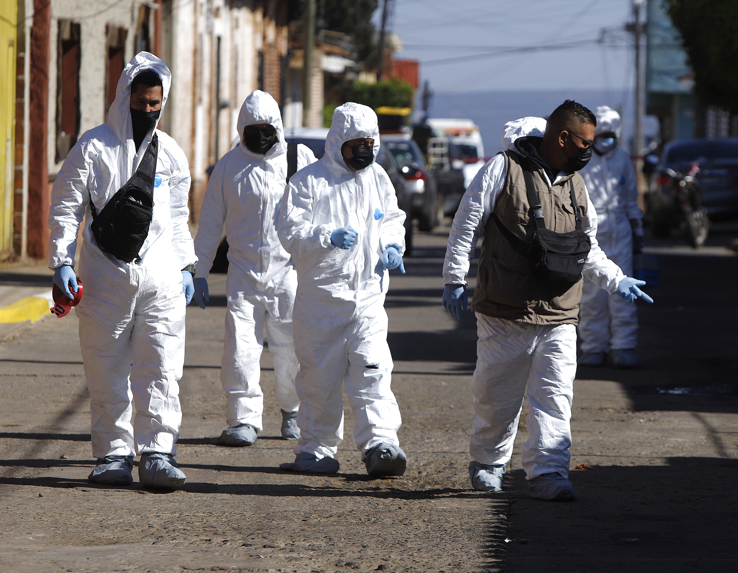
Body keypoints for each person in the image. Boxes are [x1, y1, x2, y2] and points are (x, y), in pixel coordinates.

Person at [441, 102, 653, 502]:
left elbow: (585, 247)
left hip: (559, 313)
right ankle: (488, 463)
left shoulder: (576, 183)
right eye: (585, 141)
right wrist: (455, 279)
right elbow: (466, 221)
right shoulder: (501, 169)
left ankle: (549, 471)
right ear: (562, 138)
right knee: (496, 396)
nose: (590, 149)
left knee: (555, 397)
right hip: (506, 310)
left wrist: (616, 279)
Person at [48, 52, 196, 490]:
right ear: (123, 97)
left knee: (162, 365)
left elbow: (178, 215)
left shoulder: (170, 154)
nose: (147, 111)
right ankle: (113, 453)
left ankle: (157, 452)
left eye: (155, 104)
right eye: (140, 102)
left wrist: (186, 265)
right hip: (104, 276)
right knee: (105, 365)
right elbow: (65, 208)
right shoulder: (93, 148)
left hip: (162, 279)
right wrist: (62, 262)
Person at [275, 102, 409, 477]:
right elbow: (289, 231)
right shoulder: (307, 182)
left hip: (367, 298)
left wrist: (392, 247)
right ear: (337, 142)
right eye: (356, 144)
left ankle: (381, 444)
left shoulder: (378, 178)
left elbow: (391, 219)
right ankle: (316, 450)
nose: (364, 151)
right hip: (321, 302)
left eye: (370, 142)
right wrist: (325, 237)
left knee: (374, 370)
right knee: (319, 381)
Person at [192, 90, 315, 447]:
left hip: (289, 271)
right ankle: (243, 419)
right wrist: (199, 272)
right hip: (243, 273)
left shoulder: (298, 158)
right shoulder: (230, 166)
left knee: (291, 347)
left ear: (277, 125)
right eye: (253, 128)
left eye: (266, 127)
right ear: (242, 127)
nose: (260, 134)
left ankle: (293, 412)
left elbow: (317, 212)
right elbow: (211, 222)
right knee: (240, 348)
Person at [577, 106, 646, 368]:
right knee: (592, 294)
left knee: (623, 288)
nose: (606, 139)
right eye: (601, 134)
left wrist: (637, 230)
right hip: (590, 229)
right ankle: (594, 347)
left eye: (610, 134)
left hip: (620, 229)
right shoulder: (582, 160)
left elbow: (630, 199)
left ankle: (624, 346)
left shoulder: (623, 160)